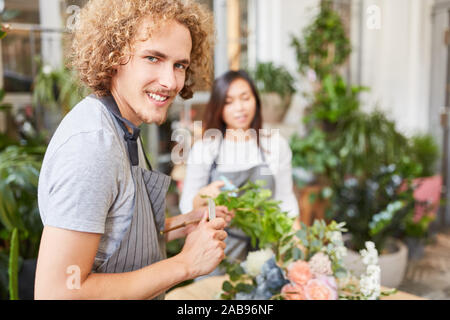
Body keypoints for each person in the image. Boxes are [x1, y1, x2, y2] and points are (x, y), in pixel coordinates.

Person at [34, 0, 234, 300]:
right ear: (113, 56)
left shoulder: (123, 125)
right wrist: (186, 263)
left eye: (180, 65)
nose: (170, 81)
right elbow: (58, 292)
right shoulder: (94, 146)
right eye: (153, 58)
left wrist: (180, 225)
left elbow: (110, 232)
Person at [179, 70, 299, 268]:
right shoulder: (205, 148)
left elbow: (285, 200)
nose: (240, 108)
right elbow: (186, 207)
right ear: (218, 107)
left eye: (245, 98)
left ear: (256, 100)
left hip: (265, 252)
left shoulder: (275, 145)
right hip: (218, 252)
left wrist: (295, 241)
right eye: (229, 101)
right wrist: (202, 196)